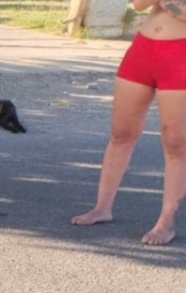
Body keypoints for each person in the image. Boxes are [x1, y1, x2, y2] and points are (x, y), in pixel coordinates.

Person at [70, 0, 186, 245]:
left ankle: (166, 222)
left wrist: (168, 4)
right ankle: (102, 208)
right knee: (121, 132)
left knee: (175, 142)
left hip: (181, 54)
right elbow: (139, 4)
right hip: (144, 49)